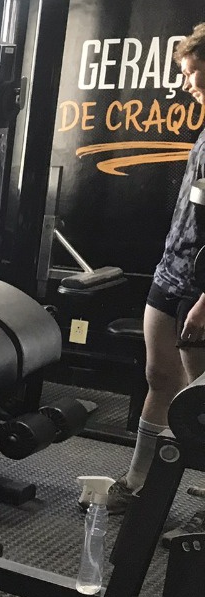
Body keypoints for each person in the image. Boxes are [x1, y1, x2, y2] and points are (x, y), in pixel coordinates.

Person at [105, 24, 205, 516]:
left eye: (192, 72)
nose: (186, 84)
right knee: (159, 376)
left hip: (201, 287)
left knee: (199, 404)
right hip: (172, 271)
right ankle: (138, 482)